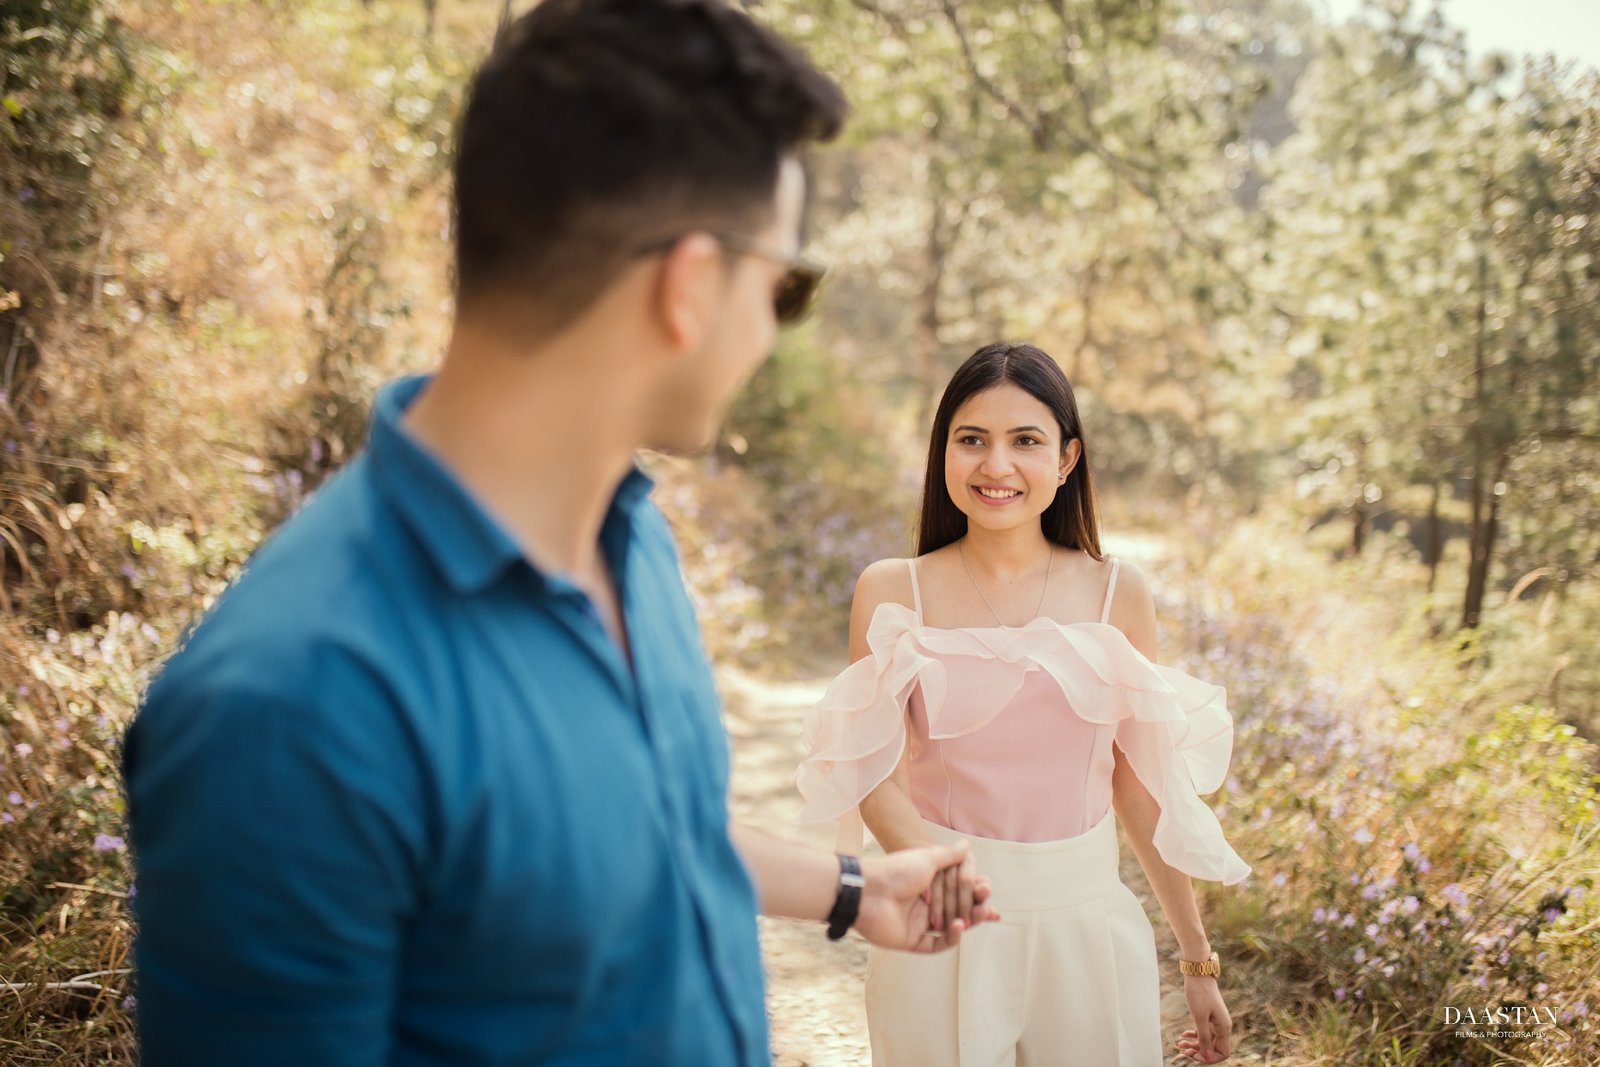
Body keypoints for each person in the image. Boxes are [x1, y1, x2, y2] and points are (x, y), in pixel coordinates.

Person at [121, 2, 998, 1064]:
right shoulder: (291, 708)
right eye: (784, 287)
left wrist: (852, 887)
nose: (772, 330)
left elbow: (642, 827)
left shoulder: (634, 541)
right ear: (687, 285)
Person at [794, 341, 1252, 1066]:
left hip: (1086, 927)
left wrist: (1198, 961)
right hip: (942, 922)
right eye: (972, 439)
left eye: (1026, 441)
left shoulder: (1116, 592)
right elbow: (874, 771)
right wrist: (935, 868)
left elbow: (1142, 787)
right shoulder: (893, 590)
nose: (996, 465)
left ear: (1067, 460)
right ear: (943, 451)